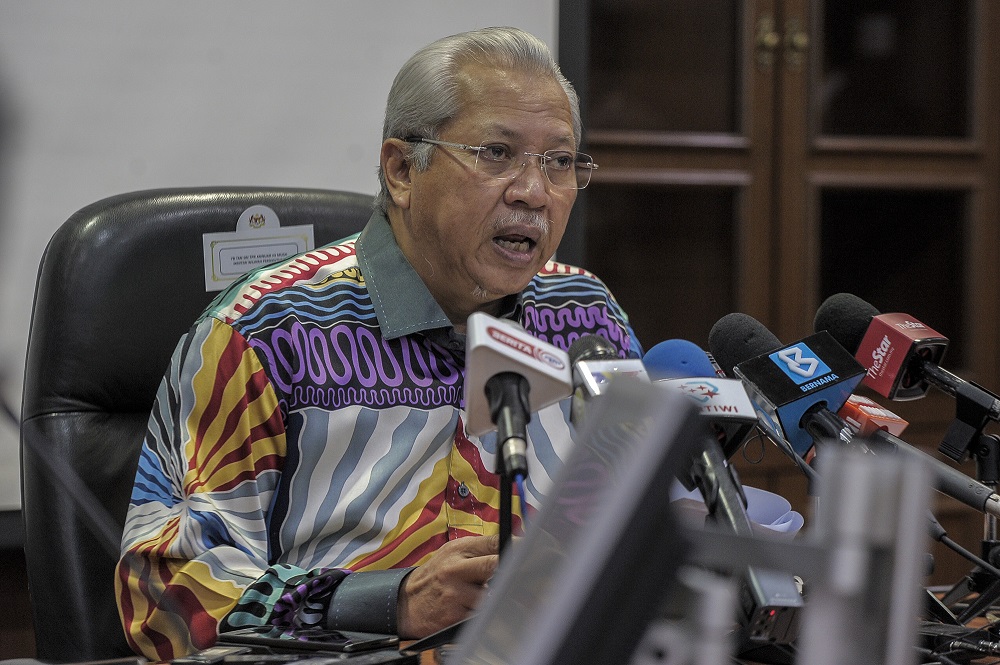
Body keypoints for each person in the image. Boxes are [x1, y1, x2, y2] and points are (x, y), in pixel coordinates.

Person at [115, 26, 641, 660]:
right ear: (401, 170)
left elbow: (641, 522)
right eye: (496, 153)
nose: (534, 192)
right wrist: (391, 601)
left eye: (560, 162)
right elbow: (166, 594)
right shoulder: (266, 333)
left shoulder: (586, 318)